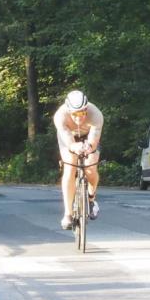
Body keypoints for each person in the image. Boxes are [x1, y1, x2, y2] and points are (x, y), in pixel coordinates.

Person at [54, 90, 103, 230]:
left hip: (88, 137)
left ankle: (92, 198)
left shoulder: (96, 115)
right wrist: (74, 146)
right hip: (68, 137)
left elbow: (94, 139)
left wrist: (89, 147)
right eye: (75, 114)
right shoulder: (60, 116)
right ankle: (68, 213)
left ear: (86, 109)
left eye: (82, 113)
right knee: (70, 166)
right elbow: (66, 139)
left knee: (91, 167)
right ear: (69, 111)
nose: (79, 118)